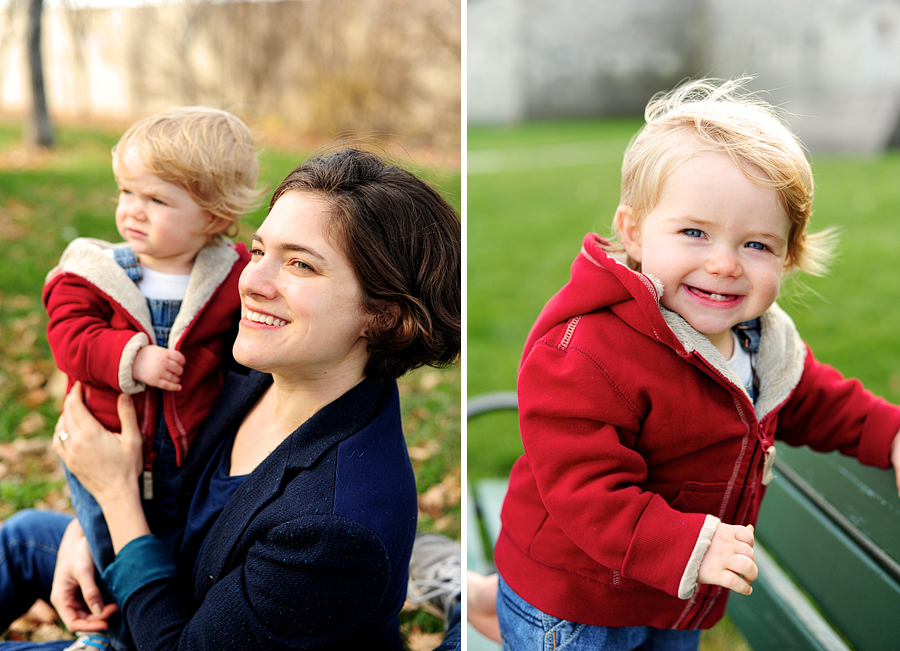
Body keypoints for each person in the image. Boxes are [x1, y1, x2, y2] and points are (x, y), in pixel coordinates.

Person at [492, 77, 900, 651]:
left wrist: (891, 434)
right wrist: (692, 546)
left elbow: (819, 400)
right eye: (694, 233)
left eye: (756, 244)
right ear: (633, 232)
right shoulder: (586, 352)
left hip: (676, 598)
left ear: (788, 256)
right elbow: (586, 490)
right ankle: (497, 608)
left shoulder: (760, 343)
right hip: (576, 603)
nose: (724, 263)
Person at [0, 147, 461, 650]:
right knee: (23, 539)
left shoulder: (333, 526)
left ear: (384, 315)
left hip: (169, 633)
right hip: (170, 571)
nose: (251, 281)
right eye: (260, 251)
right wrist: (91, 531)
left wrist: (115, 500)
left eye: (301, 265)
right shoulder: (254, 362)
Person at [42, 106, 261, 574]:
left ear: (216, 215)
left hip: (191, 453)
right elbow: (69, 336)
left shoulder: (232, 276)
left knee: (182, 544)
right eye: (126, 192)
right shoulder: (95, 273)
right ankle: (107, 631)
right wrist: (131, 357)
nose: (132, 210)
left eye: (157, 201)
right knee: (107, 542)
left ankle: (169, 612)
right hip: (107, 443)